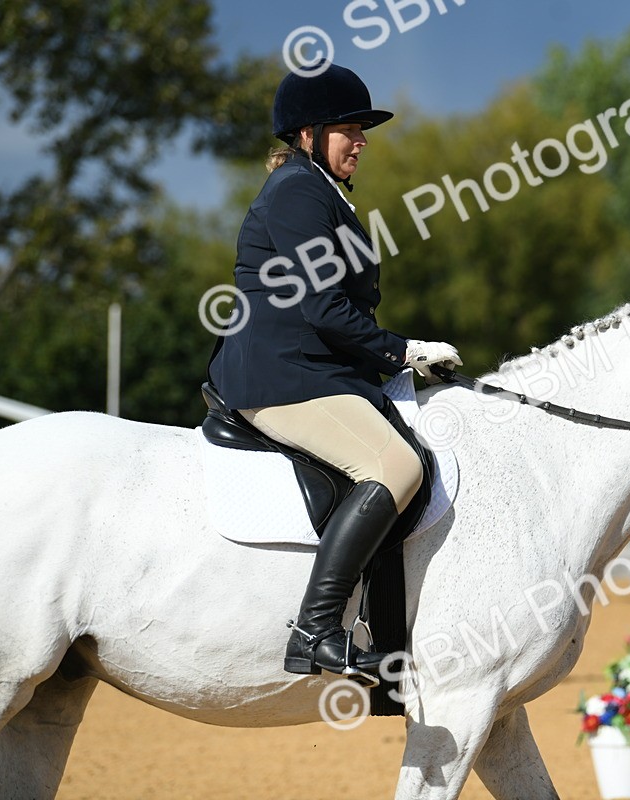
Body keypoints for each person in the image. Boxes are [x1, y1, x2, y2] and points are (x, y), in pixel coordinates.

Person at [208, 63, 461, 683]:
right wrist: (401, 351)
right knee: (397, 466)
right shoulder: (298, 191)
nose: (362, 141)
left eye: (362, 129)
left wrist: (393, 363)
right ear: (308, 134)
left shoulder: (319, 190)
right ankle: (316, 629)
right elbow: (321, 306)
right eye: (349, 128)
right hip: (282, 376)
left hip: (314, 369)